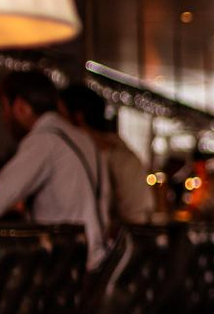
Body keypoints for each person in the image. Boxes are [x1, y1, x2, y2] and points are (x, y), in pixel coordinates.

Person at [0, 70, 111, 258]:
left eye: (5, 108)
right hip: (99, 256)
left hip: (72, 264)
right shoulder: (83, 138)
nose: (4, 118)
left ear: (20, 106)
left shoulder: (44, 140)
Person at [59, 83, 152, 228]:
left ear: (78, 118)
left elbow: (136, 218)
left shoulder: (119, 158)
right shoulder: (83, 154)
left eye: (60, 116)